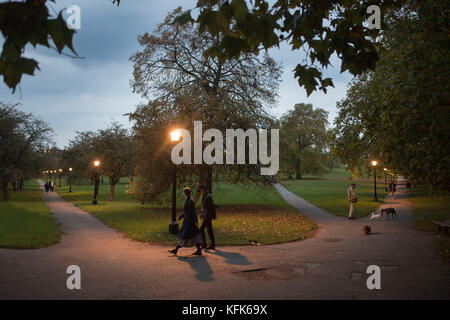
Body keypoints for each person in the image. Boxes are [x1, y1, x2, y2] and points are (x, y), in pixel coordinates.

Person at [168, 187, 203, 256]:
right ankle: (199, 250)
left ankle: (176, 250)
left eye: (183, 192)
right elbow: (187, 211)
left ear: (185, 193)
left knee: (183, 235)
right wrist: (180, 217)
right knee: (194, 235)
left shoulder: (190, 201)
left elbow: (193, 212)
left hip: (190, 223)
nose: (182, 193)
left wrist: (196, 221)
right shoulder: (188, 200)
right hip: (188, 222)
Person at [197, 185, 216, 250]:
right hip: (207, 216)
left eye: (200, 191)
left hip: (207, 216)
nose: (200, 192)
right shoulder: (206, 196)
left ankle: (204, 244)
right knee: (209, 230)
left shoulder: (207, 196)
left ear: (203, 189)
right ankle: (211, 244)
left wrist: (211, 216)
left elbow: (211, 207)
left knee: (201, 229)